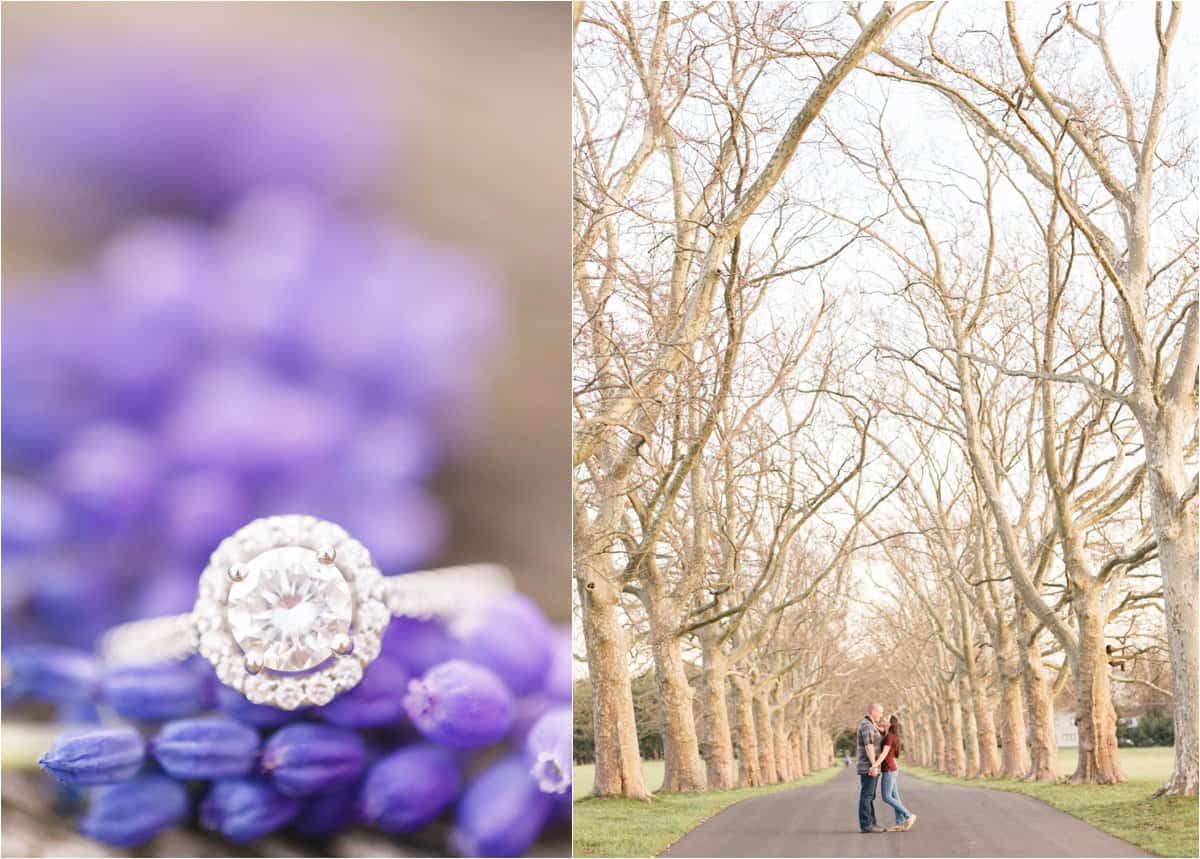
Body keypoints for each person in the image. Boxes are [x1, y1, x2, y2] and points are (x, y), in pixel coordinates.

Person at [879, 714, 917, 831]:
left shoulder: (890, 737)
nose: (883, 718)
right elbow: (881, 730)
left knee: (886, 796)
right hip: (892, 769)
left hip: (889, 769)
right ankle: (899, 823)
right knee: (895, 796)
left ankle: (908, 815)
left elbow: (884, 753)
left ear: (890, 723)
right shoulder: (888, 734)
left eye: (886, 718)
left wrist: (875, 764)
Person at [855, 703, 885, 833]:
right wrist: (874, 765)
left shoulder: (870, 725)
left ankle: (872, 823)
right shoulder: (866, 725)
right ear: (873, 711)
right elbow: (869, 746)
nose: (881, 715)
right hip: (868, 766)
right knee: (867, 795)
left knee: (869, 795)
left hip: (870, 765)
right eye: (880, 712)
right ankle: (866, 825)